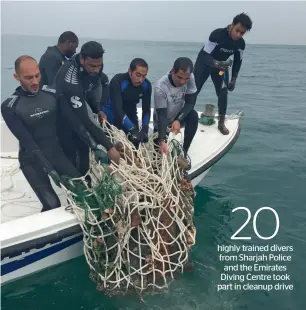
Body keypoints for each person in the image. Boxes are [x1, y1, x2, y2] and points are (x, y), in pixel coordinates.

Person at [1, 55, 82, 212]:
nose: (35, 82)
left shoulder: (51, 93)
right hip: (32, 160)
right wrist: (48, 169)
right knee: (52, 205)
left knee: (84, 195)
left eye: (37, 75)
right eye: (28, 78)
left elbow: (72, 121)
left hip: (56, 154)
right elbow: (27, 141)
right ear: (16, 77)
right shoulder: (10, 106)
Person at [54, 41, 120, 174]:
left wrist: (97, 109)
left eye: (99, 65)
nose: (96, 69)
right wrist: (109, 147)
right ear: (82, 59)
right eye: (92, 66)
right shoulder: (69, 76)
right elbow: (84, 116)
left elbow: (94, 87)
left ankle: (86, 178)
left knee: (84, 152)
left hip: (80, 102)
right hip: (63, 112)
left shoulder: (96, 66)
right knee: (72, 152)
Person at [193, 13, 253, 135]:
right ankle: (183, 117)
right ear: (232, 24)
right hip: (204, 64)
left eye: (242, 33)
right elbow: (205, 55)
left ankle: (221, 123)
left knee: (223, 92)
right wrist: (216, 63)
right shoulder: (217, 35)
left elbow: (237, 62)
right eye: (237, 30)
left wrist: (234, 78)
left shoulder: (240, 44)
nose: (238, 35)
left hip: (221, 68)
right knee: (194, 90)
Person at [153, 57, 198, 157]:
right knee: (158, 157)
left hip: (177, 116)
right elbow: (162, 116)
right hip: (162, 120)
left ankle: (184, 152)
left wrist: (178, 120)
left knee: (193, 115)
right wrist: (162, 139)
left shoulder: (190, 78)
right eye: (179, 77)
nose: (183, 82)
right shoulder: (161, 86)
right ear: (172, 71)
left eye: (186, 78)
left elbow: (190, 103)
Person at [102, 58, 152, 147]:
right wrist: (132, 129)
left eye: (144, 76)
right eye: (138, 75)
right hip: (112, 111)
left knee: (135, 143)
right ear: (130, 72)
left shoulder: (146, 85)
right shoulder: (118, 80)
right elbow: (118, 109)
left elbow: (146, 110)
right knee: (110, 145)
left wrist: (144, 129)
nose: (140, 80)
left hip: (130, 111)